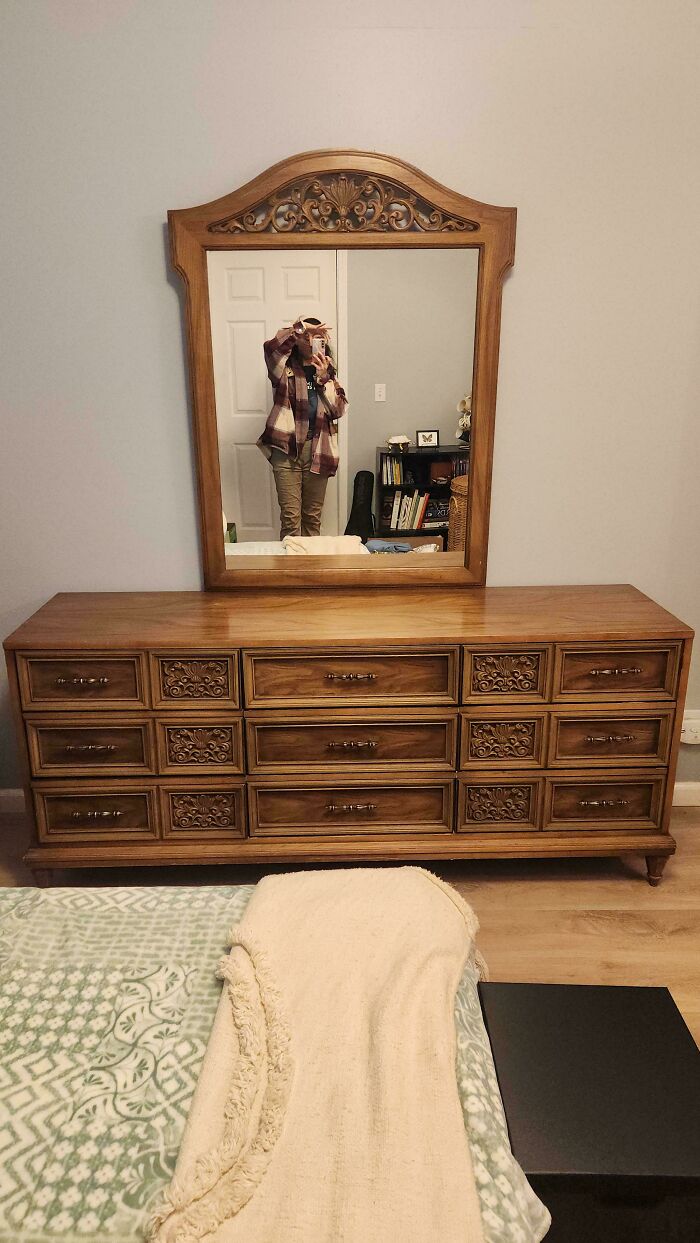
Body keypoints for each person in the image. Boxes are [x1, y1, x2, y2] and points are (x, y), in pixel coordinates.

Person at [258, 317, 347, 539]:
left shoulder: (329, 372)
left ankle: (310, 572)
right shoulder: (282, 369)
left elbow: (338, 410)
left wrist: (323, 379)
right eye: (307, 337)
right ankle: (290, 572)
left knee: (312, 519)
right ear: (297, 340)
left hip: (318, 451)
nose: (313, 342)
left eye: (319, 337)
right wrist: (300, 328)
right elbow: (271, 348)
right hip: (286, 450)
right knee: (290, 520)